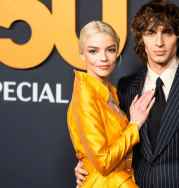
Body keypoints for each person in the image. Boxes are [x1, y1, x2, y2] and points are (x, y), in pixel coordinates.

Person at [75, 1, 179, 187]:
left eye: (167, 32)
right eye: (151, 33)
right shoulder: (126, 86)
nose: (159, 42)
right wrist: (87, 165)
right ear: (141, 38)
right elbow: (111, 144)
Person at [67, 20, 155, 188]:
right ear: (82, 54)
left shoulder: (113, 93)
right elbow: (104, 162)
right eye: (93, 51)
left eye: (110, 50)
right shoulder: (85, 96)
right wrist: (134, 125)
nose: (104, 58)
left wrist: (86, 161)